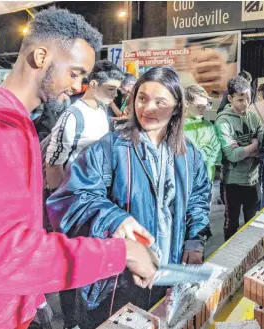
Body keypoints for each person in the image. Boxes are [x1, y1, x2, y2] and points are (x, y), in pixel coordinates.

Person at [0, 8, 157, 329]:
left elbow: (18, 228)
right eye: (74, 73)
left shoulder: (16, 120)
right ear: (40, 56)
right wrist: (120, 253)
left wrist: (33, 296)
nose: (77, 87)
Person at [47, 67, 212, 328]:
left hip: (166, 270)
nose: (148, 108)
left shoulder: (189, 154)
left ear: (177, 107)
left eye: (160, 102)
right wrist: (114, 219)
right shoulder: (111, 148)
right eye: (142, 98)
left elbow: (198, 198)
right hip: (115, 281)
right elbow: (71, 199)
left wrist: (194, 240)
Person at [45, 60, 125, 192]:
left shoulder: (101, 110)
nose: (115, 94)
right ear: (93, 84)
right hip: (74, 192)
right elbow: (54, 163)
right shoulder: (73, 116)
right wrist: (59, 200)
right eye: (111, 89)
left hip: (95, 189)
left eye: (117, 89)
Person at [215, 76, 264, 241]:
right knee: (231, 224)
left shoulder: (253, 117)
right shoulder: (223, 121)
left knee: (253, 221)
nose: (245, 103)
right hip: (232, 183)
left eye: (248, 98)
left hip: (253, 180)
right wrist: (253, 146)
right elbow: (233, 155)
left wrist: (246, 150)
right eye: (240, 99)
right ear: (230, 98)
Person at [184, 84, 222, 181]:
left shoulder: (209, 126)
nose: (204, 110)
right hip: (188, 182)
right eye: (199, 106)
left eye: (206, 105)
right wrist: (207, 151)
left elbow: (218, 152)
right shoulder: (179, 126)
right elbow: (189, 155)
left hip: (208, 179)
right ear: (187, 103)